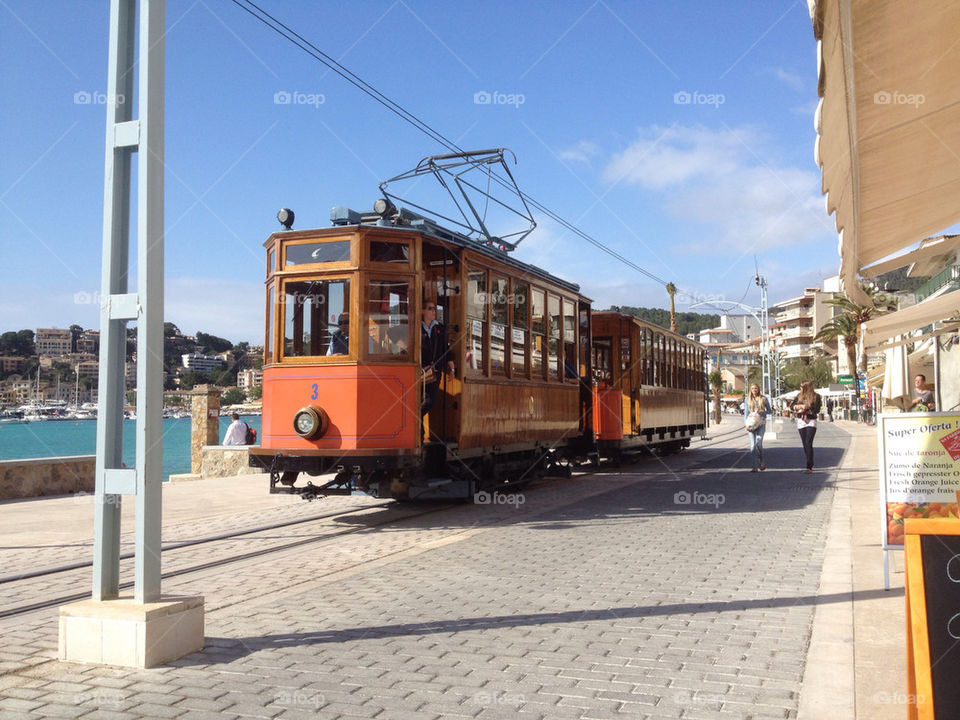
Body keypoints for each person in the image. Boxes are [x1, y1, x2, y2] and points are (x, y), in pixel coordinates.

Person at [421, 301, 455, 420]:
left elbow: (445, 349)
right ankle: (419, 434)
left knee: (431, 400)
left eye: (434, 309)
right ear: (423, 311)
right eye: (430, 309)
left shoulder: (439, 328)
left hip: (434, 371)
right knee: (418, 399)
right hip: (419, 371)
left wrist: (452, 368)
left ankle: (415, 417)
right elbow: (392, 333)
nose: (433, 311)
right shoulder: (416, 327)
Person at [790, 381, 822, 473]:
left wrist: (808, 407)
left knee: (808, 442)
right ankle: (809, 461)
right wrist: (798, 406)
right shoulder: (799, 395)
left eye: (801, 387)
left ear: (807, 387)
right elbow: (791, 406)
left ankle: (809, 466)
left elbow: (817, 409)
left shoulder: (816, 396)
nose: (800, 388)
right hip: (801, 421)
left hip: (811, 420)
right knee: (805, 444)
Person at [744, 383, 772, 472]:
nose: (754, 390)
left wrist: (763, 412)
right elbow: (745, 414)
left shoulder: (763, 398)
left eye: (756, 388)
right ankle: (754, 466)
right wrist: (746, 424)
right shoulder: (747, 399)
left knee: (758, 443)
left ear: (758, 389)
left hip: (761, 423)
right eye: (752, 388)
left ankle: (762, 460)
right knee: (752, 445)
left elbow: (770, 411)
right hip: (751, 423)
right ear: (750, 390)